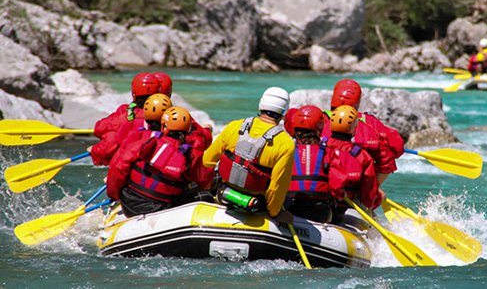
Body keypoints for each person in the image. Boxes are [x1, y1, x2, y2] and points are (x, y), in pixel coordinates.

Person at [203, 87, 295, 224]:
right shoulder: (286, 144)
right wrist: (275, 213)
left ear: (261, 105)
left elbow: (207, 162)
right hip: (256, 205)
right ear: (284, 112)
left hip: (224, 194)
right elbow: (277, 187)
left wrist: (208, 188)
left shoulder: (234, 126)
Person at [106, 106, 214, 217]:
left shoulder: (144, 139)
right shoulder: (192, 154)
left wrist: (114, 195)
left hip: (129, 203)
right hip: (161, 209)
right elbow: (205, 182)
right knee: (206, 196)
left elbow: (118, 168)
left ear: (163, 126)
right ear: (188, 129)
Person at [324, 79, 402, 184]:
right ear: (357, 102)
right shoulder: (370, 122)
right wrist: (373, 191)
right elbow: (396, 148)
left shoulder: (319, 119)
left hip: (322, 186)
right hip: (358, 188)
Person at [284, 105, 354, 223]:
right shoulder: (328, 152)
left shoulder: (286, 150)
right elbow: (337, 185)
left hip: (290, 208)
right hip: (319, 212)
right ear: (320, 128)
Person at [90, 72, 160, 166]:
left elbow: (99, 129)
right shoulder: (166, 116)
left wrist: (95, 150)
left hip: (128, 165)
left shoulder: (125, 113)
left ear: (134, 93)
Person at [326, 105, 382, 222]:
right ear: (354, 128)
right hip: (344, 208)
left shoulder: (320, 147)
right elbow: (368, 197)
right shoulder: (362, 156)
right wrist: (378, 198)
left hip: (319, 202)